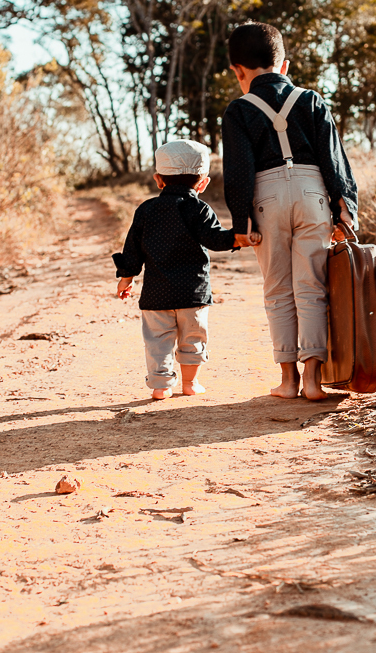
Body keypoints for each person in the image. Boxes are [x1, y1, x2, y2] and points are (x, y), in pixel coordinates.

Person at [221, 21, 358, 401]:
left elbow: (238, 171)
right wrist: (344, 212)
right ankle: (314, 380)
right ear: (285, 66)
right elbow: (335, 161)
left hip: (267, 198)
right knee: (312, 286)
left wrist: (242, 222)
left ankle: (288, 380)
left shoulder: (238, 110)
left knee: (277, 289)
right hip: (313, 192)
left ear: (238, 71)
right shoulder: (311, 100)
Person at [113, 140, 255, 400]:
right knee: (192, 339)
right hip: (193, 293)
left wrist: (126, 278)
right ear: (203, 183)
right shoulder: (199, 208)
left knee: (157, 341)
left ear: (158, 180)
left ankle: (161, 386)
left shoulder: (146, 210)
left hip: (156, 295)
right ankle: (190, 383)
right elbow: (214, 238)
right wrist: (237, 238)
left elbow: (132, 248)